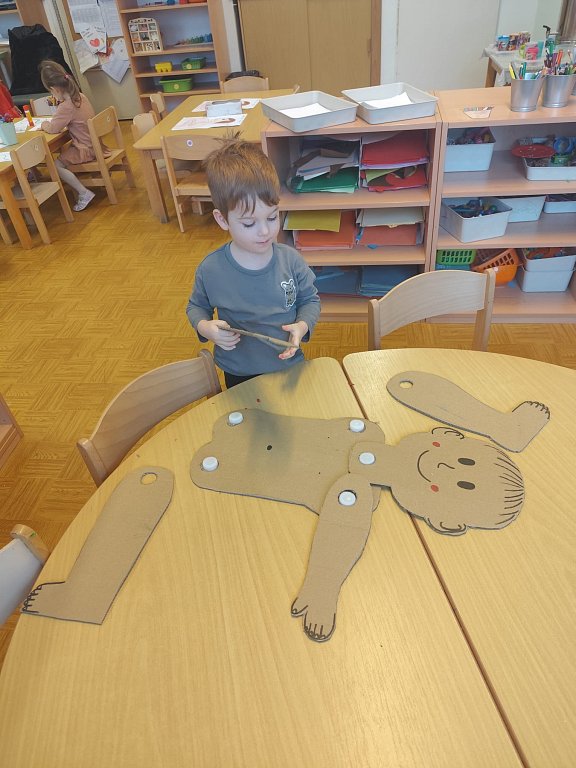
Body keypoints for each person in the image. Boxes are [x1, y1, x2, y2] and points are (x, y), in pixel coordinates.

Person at [186, 137, 320, 389]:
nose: (265, 231)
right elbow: (196, 307)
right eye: (249, 223)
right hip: (238, 370)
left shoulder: (291, 260)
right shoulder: (211, 269)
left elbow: (310, 300)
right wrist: (206, 328)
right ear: (222, 220)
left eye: (272, 217)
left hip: (288, 365)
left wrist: (302, 326)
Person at [36, 60, 98, 212]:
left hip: (84, 149)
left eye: (50, 92)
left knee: (55, 166)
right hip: (95, 144)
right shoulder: (80, 96)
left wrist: (44, 125)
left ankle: (83, 192)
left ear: (54, 89)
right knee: (64, 152)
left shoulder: (66, 107)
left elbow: (53, 129)